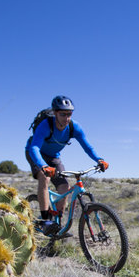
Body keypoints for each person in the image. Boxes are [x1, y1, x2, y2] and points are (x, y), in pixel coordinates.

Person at [25, 95, 109, 235]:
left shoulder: (73, 127)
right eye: (63, 114)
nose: (66, 118)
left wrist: (99, 160)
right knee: (44, 178)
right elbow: (34, 148)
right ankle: (45, 221)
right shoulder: (46, 125)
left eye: (69, 114)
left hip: (53, 157)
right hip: (36, 155)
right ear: (55, 113)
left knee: (64, 187)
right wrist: (43, 166)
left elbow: (87, 147)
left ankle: (57, 222)